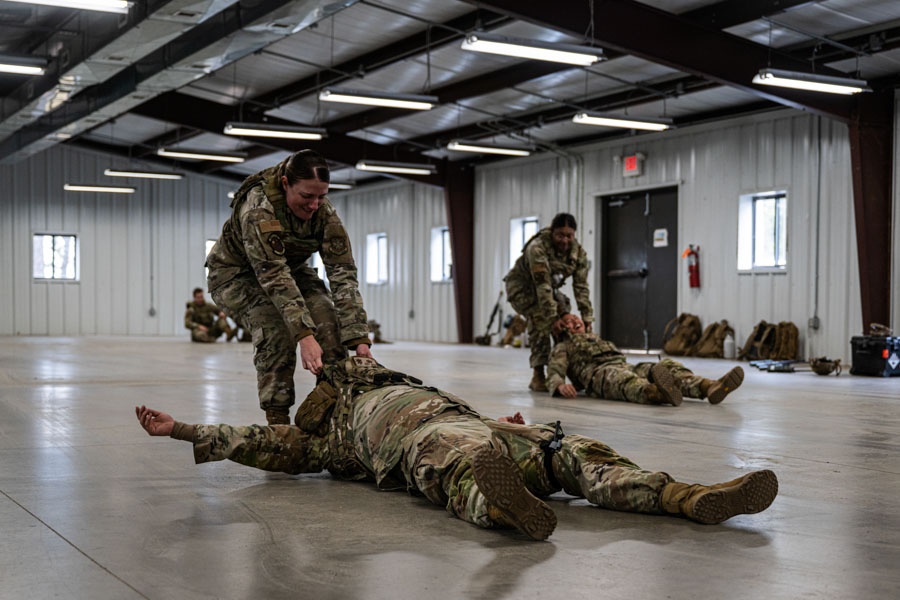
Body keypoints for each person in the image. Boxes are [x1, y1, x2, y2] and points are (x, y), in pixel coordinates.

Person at [136, 357, 777, 541]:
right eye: (350, 366)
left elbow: (459, 411)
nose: (363, 361)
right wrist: (183, 429)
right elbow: (255, 441)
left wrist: (499, 420)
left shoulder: (405, 382)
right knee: (460, 472)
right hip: (419, 444)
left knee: (572, 449)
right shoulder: (327, 437)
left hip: (481, 427)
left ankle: (685, 496)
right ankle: (506, 508)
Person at [205, 150, 372, 424]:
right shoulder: (259, 209)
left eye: (321, 196)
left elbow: (342, 273)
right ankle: (278, 421)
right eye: (307, 196)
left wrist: (359, 339)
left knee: (330, 326)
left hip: (290, 269)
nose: (314, 205)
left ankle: (329, 414)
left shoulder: (324, 213)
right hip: (235, 275)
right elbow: (273, 274)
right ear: (285, 184)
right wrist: (304, 335)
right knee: (275, 328)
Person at [547, 313, 744, 406]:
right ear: (562, 331)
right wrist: (559, 385)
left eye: (575, 318)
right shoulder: (563, 346)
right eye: (568, 322)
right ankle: (658, 393)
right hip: (600, 375)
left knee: (664, 365)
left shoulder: (596, 338)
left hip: (625, 365)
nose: (575, 321)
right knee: (626, 381)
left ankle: (708, 386)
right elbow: (555, 369)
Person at [504, 213, 593, 392]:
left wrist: (587, 317)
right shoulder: (537, 248)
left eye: (569, 236)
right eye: (560, 235)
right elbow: (542, 286)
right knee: (541, 317)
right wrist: (553, 318)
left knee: (566, 317)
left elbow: (581, 287)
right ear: (552, 232)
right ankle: (538, 374)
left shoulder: (578, 254)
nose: (565, 240)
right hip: (521, 289)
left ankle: (569, 370)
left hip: (547, 289)